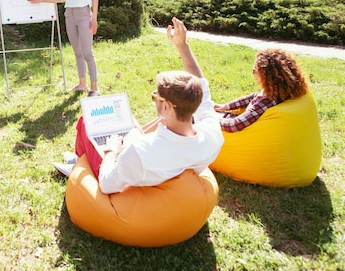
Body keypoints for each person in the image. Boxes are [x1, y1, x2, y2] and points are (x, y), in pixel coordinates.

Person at [61, 17, 224, 195]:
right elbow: (201, 84)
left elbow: (107, 184)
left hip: (124, 171)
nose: (154, 98)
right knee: (126, 120)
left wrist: (112, 151)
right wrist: (182, 46)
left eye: (156, 96)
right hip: (162, 161)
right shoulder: (212, 134)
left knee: (86, 122)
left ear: (167, 106)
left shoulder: (141, 151)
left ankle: (79, 166)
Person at [27, 0, 100, 97]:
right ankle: (82, 84)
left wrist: (94, 19)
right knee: (77, 52)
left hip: (84, 13)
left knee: (87, 52)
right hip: (69, 14)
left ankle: (94, 88)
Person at [214, 48, 309, 132]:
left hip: (240, 131)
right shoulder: (280, 91)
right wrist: (226, 106)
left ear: (267, 76)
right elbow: (252, 97)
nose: (252, 73)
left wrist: (210, 119)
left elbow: (235, 125)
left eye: (255, 70)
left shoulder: (267, 101)